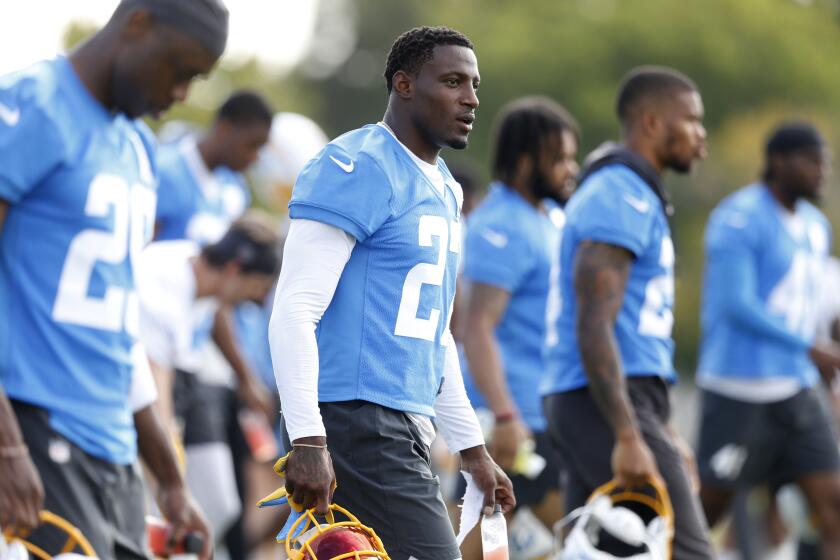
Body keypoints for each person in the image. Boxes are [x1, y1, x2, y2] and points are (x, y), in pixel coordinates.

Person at [268, 26, 515, 560]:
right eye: (452, 81)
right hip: (353, 418)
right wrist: (308, 439)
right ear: (404, 84)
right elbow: (294, 309)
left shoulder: (445, 185)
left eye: (474, 84)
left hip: (403, 421)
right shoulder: (358, 164)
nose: (470, 99)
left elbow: (433, 338)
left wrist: (472, 448)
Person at [0, 0, 228, 557]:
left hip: (112, 445)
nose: (181, 94)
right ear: (138, 25)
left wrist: (169, 478)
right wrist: (7, 449)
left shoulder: (137, 147)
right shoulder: (34, 104)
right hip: (34, 426)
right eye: (179, 70)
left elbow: (118, 324)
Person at [540, 66, 713, 558]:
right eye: (692, 121)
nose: (701, 135)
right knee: (688, 549)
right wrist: (627, 432)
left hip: (617, 397)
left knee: (602, 552)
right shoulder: (619, 193)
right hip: (601, 398)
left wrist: (662, 427)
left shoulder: (635, 193)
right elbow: (594, 322)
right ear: (653, 122)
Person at [695, 121, 840, 557]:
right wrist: (809, 347)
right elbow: (736, 303)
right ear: (779, 161)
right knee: (708, 510)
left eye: (827, 163)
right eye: (812, 161)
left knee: (833, 505)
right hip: (739, 388)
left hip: (795, 389)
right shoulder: (739, 217)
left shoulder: (816, 225)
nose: (823, 171)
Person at [459, 96, 579, 558]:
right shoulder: (503, 223)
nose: (571, 168)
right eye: (561, 158)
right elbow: (477, 328)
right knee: (580, 536)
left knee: (526, 546)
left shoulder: (549, 218)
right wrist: (506, 416)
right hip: (513, 418)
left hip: (545, 411)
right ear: (528, 163)